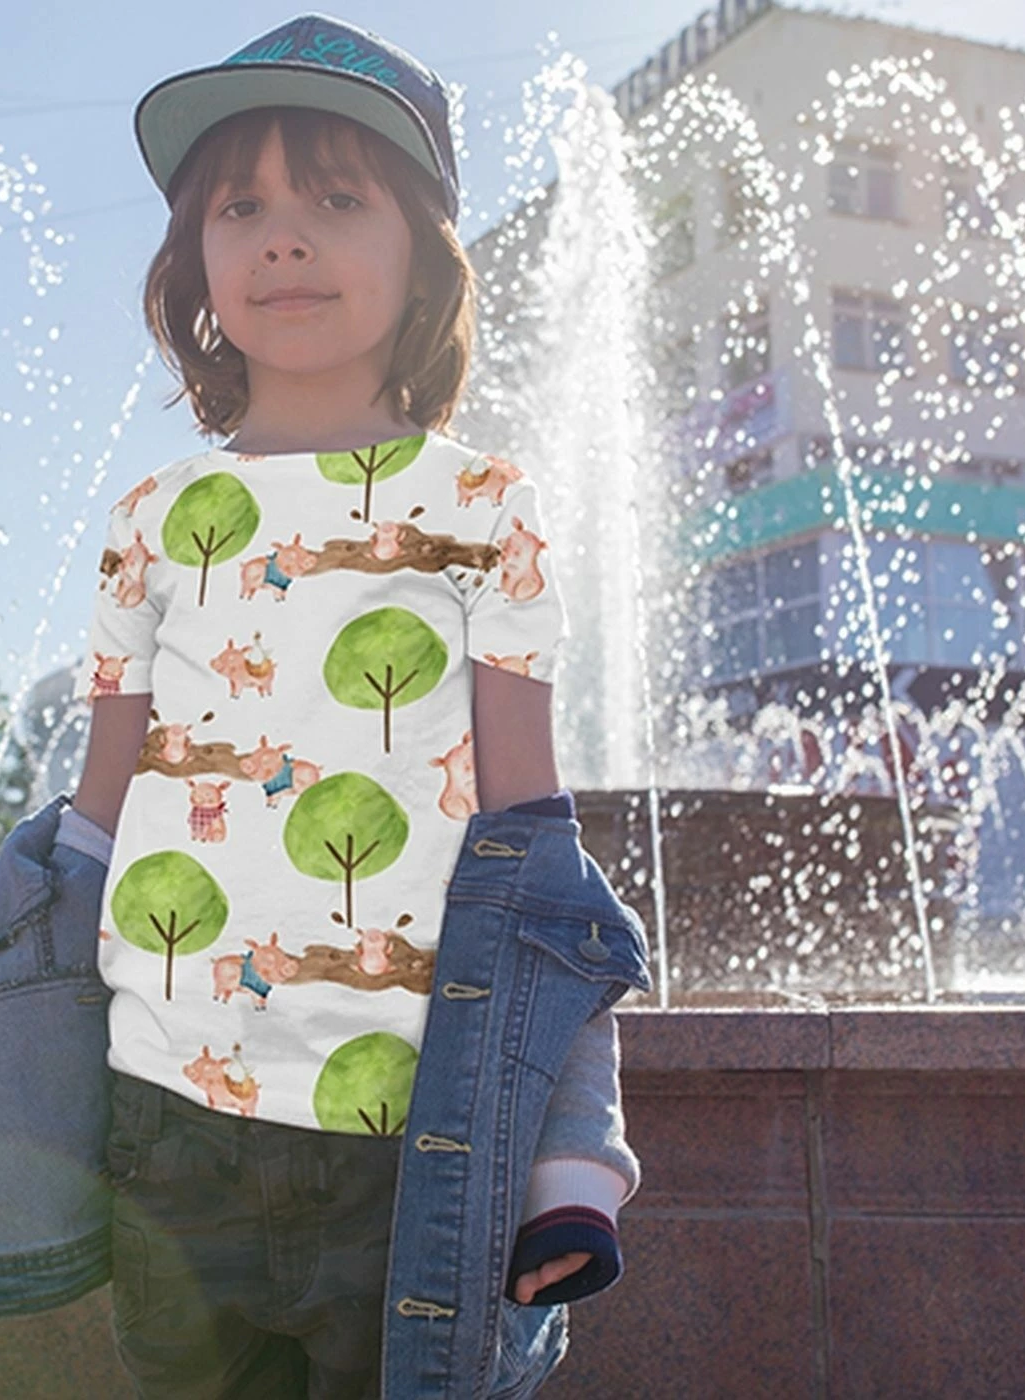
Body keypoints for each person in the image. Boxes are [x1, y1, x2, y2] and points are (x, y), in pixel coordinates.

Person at [59, 14, 640, 1396]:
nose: (282, 239)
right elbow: (90, 824)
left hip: (412, 1138)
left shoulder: (483, 506)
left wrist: (575, 1148)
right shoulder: (152, 517)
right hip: (166, 1130)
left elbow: (533, 846)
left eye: (335, 199)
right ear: (194, 261)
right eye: (240, 208)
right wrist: (21, 1083)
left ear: (425, 254)